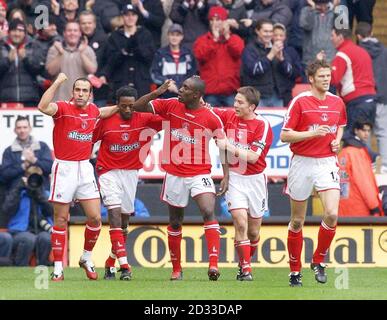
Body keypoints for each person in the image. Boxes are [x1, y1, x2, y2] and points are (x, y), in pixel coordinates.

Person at [131, 76, 229, 281]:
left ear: (196, 95)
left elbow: (224, 148)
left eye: (185, 88)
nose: (180, 90)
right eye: (182, 86)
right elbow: (138, 106)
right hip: (174, 173)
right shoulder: (170, 105)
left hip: (200, 172)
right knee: (175, 222)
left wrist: (226, 174)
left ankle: (213, 265)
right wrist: (158, 92)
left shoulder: (211, 117)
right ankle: (177, 269)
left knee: (208, 210)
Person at [37, 72, 118, 281]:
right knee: (61, 219)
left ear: (90, 94)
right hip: (64, 167)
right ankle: (57, 267)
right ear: (72, 92)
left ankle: (86, 257)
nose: (81, 94)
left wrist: (124, 106)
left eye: (85, 91)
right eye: (78, 90)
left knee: (95, 217)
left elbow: (104, 112)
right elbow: (42, 106)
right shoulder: (62, 108)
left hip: (84, 167)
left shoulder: (93, 111)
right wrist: (57, 82)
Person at [280, 59, 347, 286]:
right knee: (297, 220)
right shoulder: (300, 102)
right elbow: (285, 135)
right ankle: (294, 270)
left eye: (328, 76)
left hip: (327, 162)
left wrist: (337, 141)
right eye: (321, 76)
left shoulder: (337, 102)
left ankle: (318, 259)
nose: (326, 80)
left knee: (331, 214)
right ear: (311, 79)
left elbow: (340, 125)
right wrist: (313, 134)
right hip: (302, 163)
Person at [92, 86, 163, 281]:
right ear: (117, 105)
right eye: (124, 106)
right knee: (114, 216)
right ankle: (125, 266)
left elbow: (171, 118)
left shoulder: (145, 119)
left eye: (131, 106)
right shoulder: (106, 120)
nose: (128, 110)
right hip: (108, 172)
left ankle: (110, 263)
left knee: (123, 223)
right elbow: (88, 139)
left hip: (131, 174)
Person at [213, 86, 273, 281]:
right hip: (236, 178)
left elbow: (254, 157)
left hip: (255, 180)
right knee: (240, 222)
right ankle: (246, 270)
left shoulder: (262, 125)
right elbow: (207, 110)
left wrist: (228, 146)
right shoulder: (229, 117)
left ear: (252, 107)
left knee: (254, 232)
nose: (235, 105)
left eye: (240, 102)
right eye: (235, 100)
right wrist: (226, 174)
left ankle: (243, 261)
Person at [325, 26, 376, 141]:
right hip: (370, 100)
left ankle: (372, 156)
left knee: (352, 139)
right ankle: (369, 158)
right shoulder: (362, 51)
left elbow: (332, 79)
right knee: (362, 139)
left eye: (332, 35)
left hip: (357, 102)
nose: (331, 39)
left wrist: (322, 65)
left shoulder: (342, 54)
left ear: (340, 37)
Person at [0, 165, 54, 266]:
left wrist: (39, 195)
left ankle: (42, 268)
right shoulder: (19, 193)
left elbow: (50, 212)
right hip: (19, 231)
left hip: (41, 230)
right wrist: (18, 188)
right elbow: (7, 209)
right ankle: (20, 268)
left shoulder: (45, 194)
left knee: (46, 238)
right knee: (28, 238)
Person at [193, 5, 244, 107]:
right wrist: (214, 40)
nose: (214, 23)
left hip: (230, 92)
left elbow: (238, 51)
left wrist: (227, 36)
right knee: (211, 121)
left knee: (232, 121)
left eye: (218, 19)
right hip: (210, 93)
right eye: (212, 20)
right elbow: (200, 56)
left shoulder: (234, 38)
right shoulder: (203, 40)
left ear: (225, 21)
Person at [241, 19, 297, 107]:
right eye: (265, 31)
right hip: (258, 97)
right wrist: (271, 54)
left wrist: (282, 60)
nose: (268, 34)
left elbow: (289, 72)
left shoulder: (277, 47)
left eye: (271, 31)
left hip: (277, 96)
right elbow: (254, 70)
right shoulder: (250, 49)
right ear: (257, 31)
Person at [355, 22, 387, 174]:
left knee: (364, 133)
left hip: (364, 98)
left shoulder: (357, 51)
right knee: (383, 133)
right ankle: (385, 167)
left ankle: (365, 163)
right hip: (382, 98)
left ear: (358, 36)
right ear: (372, 32)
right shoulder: (384, 51)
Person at [103, 4, 155, 97]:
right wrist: (123, 52)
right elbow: (110, 60)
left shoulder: (145, 34)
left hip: (141, 81)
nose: (130, 18)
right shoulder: (115, 36)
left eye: (133, 15)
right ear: (122, 17)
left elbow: (150, 57)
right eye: (127, 15)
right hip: (121, 80)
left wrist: (137, 48)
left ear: (137, 17)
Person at [338, 119, 383, 217]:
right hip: (359, 208)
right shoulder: (357, 152)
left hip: (343, 207)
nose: (366, 133)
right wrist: (374, 206)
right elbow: (364, 182)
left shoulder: (344, 151)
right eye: (363, 130)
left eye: (368, 131)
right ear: (356, 130)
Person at [46, 21, 97, 101]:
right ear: (64, 33)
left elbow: (92, 70)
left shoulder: (87, 49)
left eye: (75, 30)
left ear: (80, 33)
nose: (72, 33)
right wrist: (60, 53)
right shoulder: (54, 49)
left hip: (82, 100)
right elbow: (51, 72)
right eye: (69, 30)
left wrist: (82, 54)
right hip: (59, 100)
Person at [1, 116, 53, 191]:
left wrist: (34, 160)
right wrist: (23, 166)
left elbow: (51, 168)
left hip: (42, 191)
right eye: (19, 128)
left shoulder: (42, 146)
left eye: (25, 127)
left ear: (30, 129)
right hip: (17, 193)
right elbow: (4, 175)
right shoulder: (8, 151)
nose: (22, 130)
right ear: (15, 130)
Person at [0, 19, 41, 106]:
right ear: (9, 32)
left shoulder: (33, 45)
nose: (17, 34)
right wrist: (7, 60)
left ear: (25, 33)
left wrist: (26, 59)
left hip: (30, 99)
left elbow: (38, 70)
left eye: (20, 31)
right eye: (14, 30)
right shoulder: (1, 46)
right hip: (6, 99)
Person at [151, 23, 197, 98]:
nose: (174, 38)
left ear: (182, 37)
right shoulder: (160, 53)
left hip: (184, 95)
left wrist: (182, 87)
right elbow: (154, 74)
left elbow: (192, 75)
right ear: (168, 35)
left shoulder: (188, 54)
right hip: (164, 95)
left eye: (177, 35)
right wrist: (166, 82)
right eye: (172, 34)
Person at [299, 0, 337, 67]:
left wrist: (335, 8)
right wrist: (313, 9)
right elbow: (306, 26)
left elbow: (343, 29)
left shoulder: (335, 11)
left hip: (330, 57)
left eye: (325, 3)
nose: (323, 6)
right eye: (320, 4)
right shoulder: (306, 10)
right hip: (310, 58)